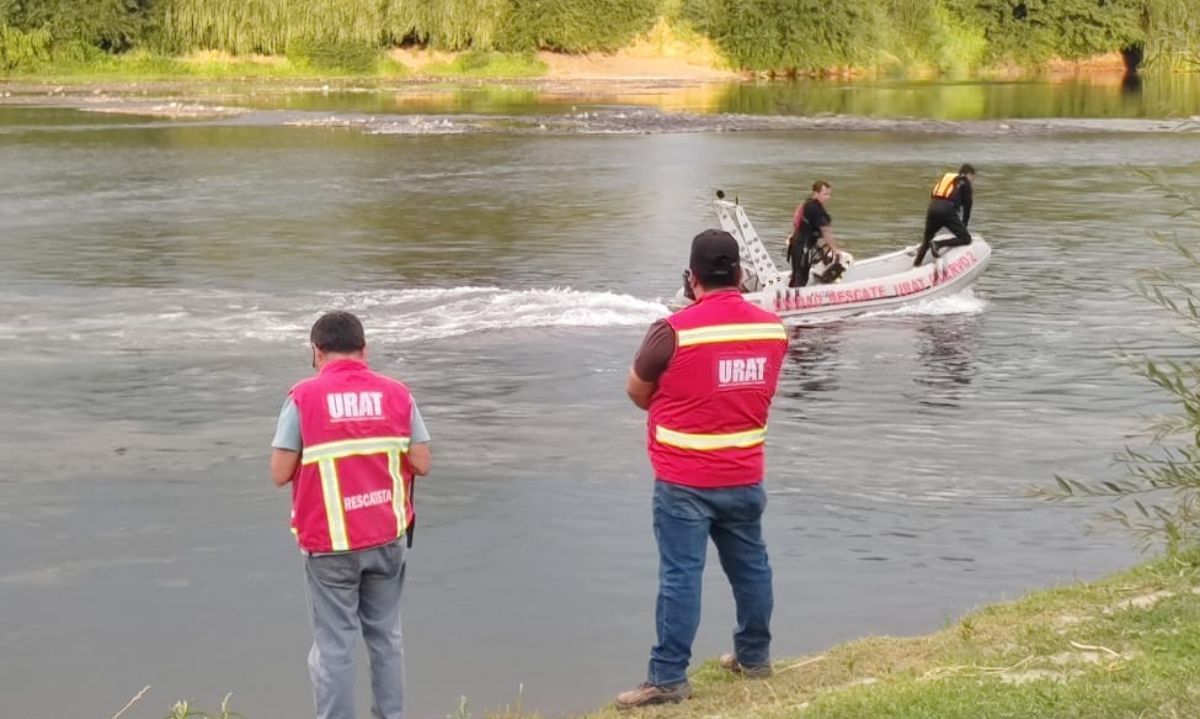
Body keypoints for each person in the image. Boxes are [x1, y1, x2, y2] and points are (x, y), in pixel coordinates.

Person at [617, 229, 789, 709]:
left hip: (683, 481)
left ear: (691, 278)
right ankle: (754, 657)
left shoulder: (672, 330)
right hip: (745, 473)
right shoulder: (772, 329)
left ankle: (669, 678)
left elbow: (636, 390)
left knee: (680, 577)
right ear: (739, 274)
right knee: (753, 567)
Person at [270, 311, 432, 719]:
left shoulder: (303, 398)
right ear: (365, 350)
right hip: (388, 536)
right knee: (386, 639)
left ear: (316, 351)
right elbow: (422, 461)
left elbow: (279, 473)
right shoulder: (398, 394)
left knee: (335, 647)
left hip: (331, 545)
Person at [914, 163, 976, 267]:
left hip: (932, 208)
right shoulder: (965, 182)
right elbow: (967, 206)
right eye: (972, 178)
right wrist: (964, 225)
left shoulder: (947, 179)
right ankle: (938, 244)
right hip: (947, 210)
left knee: (926, 240)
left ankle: (916, 264)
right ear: (968, 174)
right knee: (966, 239)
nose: (972, 180)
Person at [788, 180, 843, 287]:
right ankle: (795, 300)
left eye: (829, 194)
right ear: (816, 193)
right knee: (802, 276)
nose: (828, 197)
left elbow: (796, 221)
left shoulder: (807, 203)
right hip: (803, 247)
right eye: (825, 194)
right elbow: (825, 232)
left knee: (796, 274)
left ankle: (791, 294)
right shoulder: (816, 209)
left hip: (796, 242)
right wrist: (835, 250)